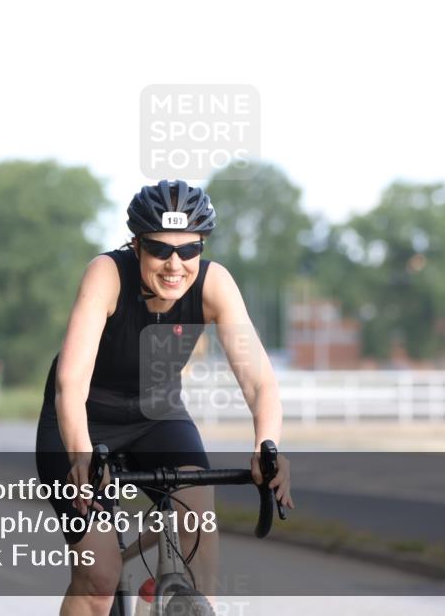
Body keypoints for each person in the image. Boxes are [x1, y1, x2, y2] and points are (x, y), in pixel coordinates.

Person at [35, 180, 294, 616]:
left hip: (157, 415)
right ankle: (108, 572)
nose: (176, 265)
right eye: (160, 249)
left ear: (202, 247)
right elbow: (71, 381)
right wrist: (81, 454)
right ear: (136, 245)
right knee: (98, 579)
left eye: (189, 250)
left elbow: (260, 383)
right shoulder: (106, 274)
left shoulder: (216, 285)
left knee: (198, 533)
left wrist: (267, 447)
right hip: (83, 419)